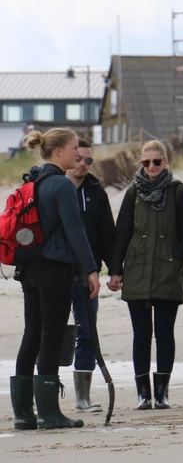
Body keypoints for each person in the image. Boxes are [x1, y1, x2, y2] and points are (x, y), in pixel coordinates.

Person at [10, 128, 100, 431]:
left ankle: (24, 414)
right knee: (51, 335)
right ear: (59, 151)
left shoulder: (32, 180)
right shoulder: (62, 184)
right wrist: (90, 269)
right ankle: (49, 413)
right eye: (74, 148)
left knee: (32, 334)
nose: (78, 154)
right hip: (54, 269)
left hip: (29, 268)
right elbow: (75, 231)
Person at [109, 140, 183, 410]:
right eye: (147, 162)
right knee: (141, 334)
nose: (152, 166)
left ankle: (162, 393)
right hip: (137, 272)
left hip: (168, 272)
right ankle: (143, 395)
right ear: (141, 163)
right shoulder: (133, 193)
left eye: (157, 161)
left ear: (166, 162)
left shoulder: (178, 191)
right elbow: (122, 234)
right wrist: (115, 270)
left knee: (165, 334)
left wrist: (176, 260)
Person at [66, 137, 115, 413]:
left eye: (88, 160)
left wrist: (115, 270)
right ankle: (44, 395)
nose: (83, 164)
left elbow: (108, 235)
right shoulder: (52, 187)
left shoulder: (96, 192)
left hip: (88, 275)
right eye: (78, 158)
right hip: (56, 275)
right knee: (50, 333)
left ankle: (82, 398)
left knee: (87, 332)